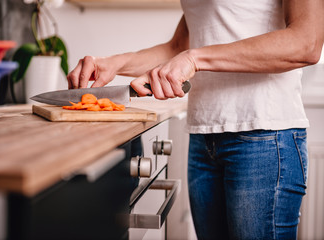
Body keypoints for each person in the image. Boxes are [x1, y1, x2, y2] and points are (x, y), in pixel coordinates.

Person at [67, 0, 324, 239]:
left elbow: (306, 42)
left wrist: (194, 59)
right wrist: (112, 63)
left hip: (265, 139)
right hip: (204, 139)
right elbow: (178, 47)